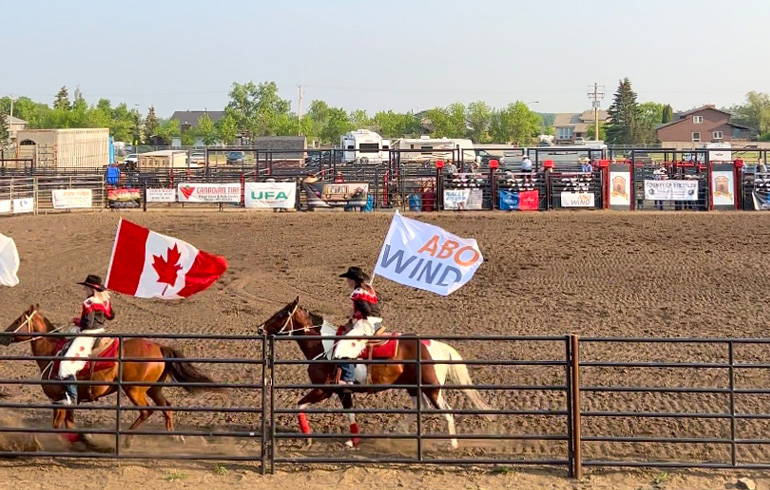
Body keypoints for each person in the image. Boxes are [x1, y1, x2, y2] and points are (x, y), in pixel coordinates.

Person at [57, 275, 115, 405]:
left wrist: (77, 321)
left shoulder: (89, 302)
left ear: (91, 288)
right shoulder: (104, 301)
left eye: (85, 287)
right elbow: (111, 316)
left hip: (89, 334)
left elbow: (88, 324)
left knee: (66, 365)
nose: (84, 289)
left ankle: (71, 397)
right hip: (100, 331)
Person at [336, 267, 382, 385]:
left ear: (353, 280)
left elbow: (366, 311)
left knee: (343, 346)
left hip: (366, 324)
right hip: (375, 321)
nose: (347, 281)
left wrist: (355, 314)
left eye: (348, 279)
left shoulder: (358, 293)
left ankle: (349, 378)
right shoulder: (369, 289)